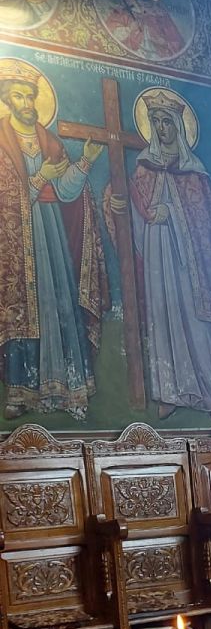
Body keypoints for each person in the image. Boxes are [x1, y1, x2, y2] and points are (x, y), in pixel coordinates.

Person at [0, 60, 108, 420]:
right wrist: (38, 177)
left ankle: (68, 389)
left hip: (51, 234)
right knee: (22, 308)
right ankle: (21, 391)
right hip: (15, 243)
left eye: (30, 96)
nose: (26, 103)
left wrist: (85, 163)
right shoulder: (1, 142)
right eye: (19, 96)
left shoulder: (50, 142)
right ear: (8, 100)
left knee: (60, 303)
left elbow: (66, 192)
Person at [128, 88, 211, 422]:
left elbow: (204, 220)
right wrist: (138, 210)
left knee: (194, 316)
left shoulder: (194, 171)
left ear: (178, 125)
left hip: (189, 259)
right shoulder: (143, 166)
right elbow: (135, 206)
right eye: (156, 122)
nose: (162, 128)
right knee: (162, 316)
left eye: (167, 121)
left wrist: (171, 213)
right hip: (156, 251)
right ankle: (169, 392)